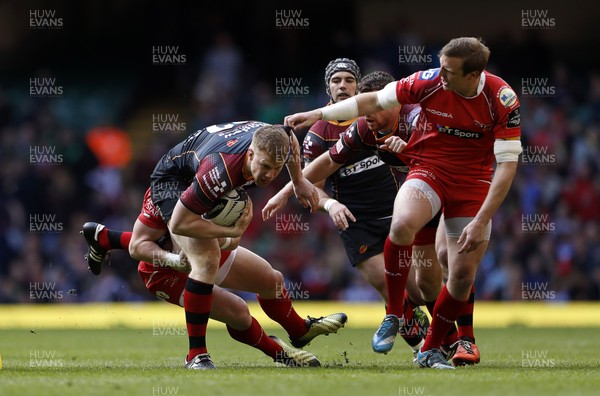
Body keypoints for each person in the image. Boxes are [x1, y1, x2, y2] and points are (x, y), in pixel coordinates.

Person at [284, 37, 522, 369]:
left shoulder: (501, 99)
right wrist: (315, 114)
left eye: (449, 70)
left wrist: (482, 219)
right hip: (429, 173)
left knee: (459, 273)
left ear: (473, 75)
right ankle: (395, 316)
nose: (440, 74)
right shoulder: (421, 87)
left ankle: (442, 345)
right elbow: (363, 109)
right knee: (406, 236)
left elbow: (507, 165)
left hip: (472, 184)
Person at [264, 69, 438, 357]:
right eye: (335, 80)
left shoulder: (379, 120)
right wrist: (330, 204)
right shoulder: (319, 135)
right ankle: (424, 351)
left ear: (362, 90)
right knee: (387, 283)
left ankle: (427, 328)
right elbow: (311, 184)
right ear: (328, 88)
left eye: (349, 80)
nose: (342, 86)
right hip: (357, 222)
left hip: (399, 211)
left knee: (418, 290)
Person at [81, 187, 348, 368]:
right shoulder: (162, 192)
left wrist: (234, 230)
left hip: (204, 247)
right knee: (239, 312)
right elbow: (139, 247)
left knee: (272, 279)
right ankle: (277, 353)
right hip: (164, 270)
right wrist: (178, 258)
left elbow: (227, 244)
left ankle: (299, 331)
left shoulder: (219, 179)